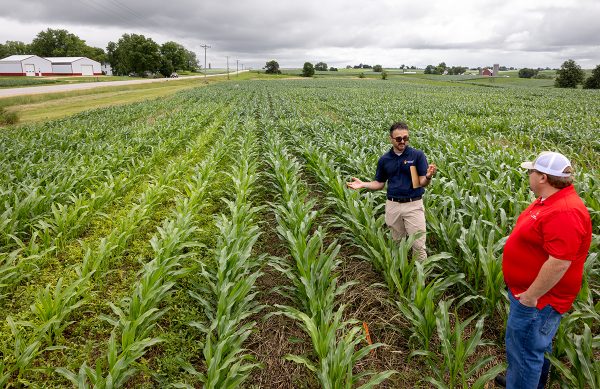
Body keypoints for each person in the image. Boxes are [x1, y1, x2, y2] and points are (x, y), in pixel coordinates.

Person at [496, 151, 592, 388]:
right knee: (534, 347)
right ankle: (526, 381)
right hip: (531, 295)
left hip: (538, 301)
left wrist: (530, 297)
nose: (529, 174)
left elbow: (559, 262)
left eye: (532, 171)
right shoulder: (551, 200)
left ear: (543, 178)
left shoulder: (565, 211)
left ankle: (521, 382)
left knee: (526, 352)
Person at [347, 122, 437, 260]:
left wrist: (428, 177)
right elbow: (380, 183)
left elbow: (421, 183)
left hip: (413, 205)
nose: (403, 141)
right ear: (391, 138)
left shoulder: (416, 155)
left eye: (406, 138)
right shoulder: (385, 160)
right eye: (399, 139)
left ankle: (420, 280)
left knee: (418, 247)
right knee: (396, 245)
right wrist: (363, 184)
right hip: (393, 205)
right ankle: (400, 275)